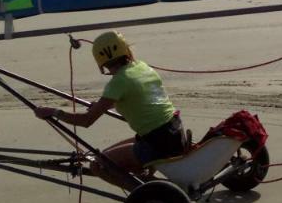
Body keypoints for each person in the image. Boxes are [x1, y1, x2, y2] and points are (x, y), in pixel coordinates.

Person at [34, 31, 186, 190]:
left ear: (100, 61)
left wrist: (55, 113)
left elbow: (86, 121)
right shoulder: (142, 67)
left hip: (157, 142)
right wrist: (102, 105)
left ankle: (149, 195)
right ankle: (158, 187)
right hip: (174, 131)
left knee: (98, 165)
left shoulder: (118, 82)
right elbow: (135, 95)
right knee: (105, 156)